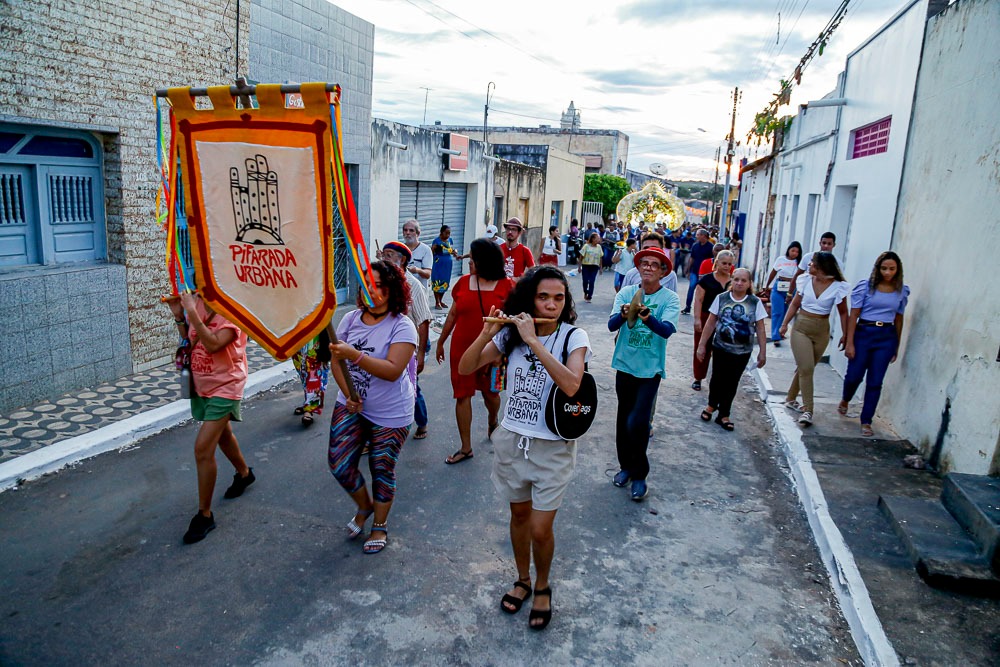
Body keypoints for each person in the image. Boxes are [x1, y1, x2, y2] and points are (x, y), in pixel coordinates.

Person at [457, 265, 590, 631]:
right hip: (513, 441)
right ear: (529, 300)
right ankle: (523, 579)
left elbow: (572, 385)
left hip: (553, 448)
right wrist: (488, 333)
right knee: (518, 517)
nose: (551, 305)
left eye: (558, 298)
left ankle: (543, 584)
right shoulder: (509, 335)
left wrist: (533, 341)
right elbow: (466, 366)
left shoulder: (573, 337)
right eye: (543, 297)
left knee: (540, 529)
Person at [327, 261, 417, 554]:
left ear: (393, 290)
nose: (371, 290)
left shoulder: (402, 326)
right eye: (367, 284)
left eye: (378, 285)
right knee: (339, 464)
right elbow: (336, 362)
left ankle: (379, 524)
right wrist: (348, 395)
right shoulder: (350, 320)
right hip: (352, 405)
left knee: (382, 467)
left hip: (391, 412)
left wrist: (354, 355)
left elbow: (392, 370)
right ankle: (364, 506)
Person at [166, 292, 254, 544]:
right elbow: (191, 338)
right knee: (222, 435)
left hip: (227, 385)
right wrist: (179, 316)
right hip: (202, 384)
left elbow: (215, 343)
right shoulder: (197, 301)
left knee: (203, 448)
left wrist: (192, 312)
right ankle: (244, 474)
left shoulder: (231, 308)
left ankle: (204, 515)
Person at [608, 247, 680, 502]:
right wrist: (624, 314)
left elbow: (666, 331)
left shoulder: (670, 298)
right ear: (638, 268)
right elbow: (611, 325)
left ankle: (640, 475)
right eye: (644, 263)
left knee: (638, 422)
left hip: (650, 370)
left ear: (663, 271)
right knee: (623, 420)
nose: (648, 267)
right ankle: (625, 467)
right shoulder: (627, 292)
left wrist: (648, 318)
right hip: (625, 364)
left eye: (654, 264)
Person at [436, 239, 515, 463]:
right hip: (461, 350)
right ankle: (466, 447)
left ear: (486, 260)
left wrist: (502, 354)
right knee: (462, 395)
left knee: (492, 394)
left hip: (494, 351)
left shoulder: (507, 286)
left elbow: (513, 325)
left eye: (473, 258)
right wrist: (441, 341)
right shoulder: (462, 282)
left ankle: (493, 419)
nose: (469, 262)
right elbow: (453, 314)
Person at [839, 252, 910, 437]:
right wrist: (849, 342)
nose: (888, 272)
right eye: (884, 268)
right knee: (854, 375)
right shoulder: (866, 287)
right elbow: (854, 315)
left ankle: (866, 420)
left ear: (898, 270)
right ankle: (846, 399)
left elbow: (899, 319)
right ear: (877, 268)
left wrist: (896, 345)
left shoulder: (901, 291)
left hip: (886, 336)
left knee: (875, 381)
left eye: (892, 269)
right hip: (864, 332)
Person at [779, 251, 850, 427]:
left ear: (821, 267)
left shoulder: (838, 287)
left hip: (822, 331)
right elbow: (795, 304)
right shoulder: (805, 280)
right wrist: (784, 324)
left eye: (812, 263)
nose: (809, 265)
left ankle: (790, 398)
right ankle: (808, 409)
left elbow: (843, 312)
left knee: (806, 367)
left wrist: (846, 334)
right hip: (801, 328)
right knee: (806, 368)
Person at [696, 268, 767, 430]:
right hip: (721, 348)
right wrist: (702, 344)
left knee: (732, 381)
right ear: (731, 281)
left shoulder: (754, 302)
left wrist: (762, 352)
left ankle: (724, 414)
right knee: (717, 378)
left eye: (743, 280)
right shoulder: (721, 298)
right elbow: (711, 322)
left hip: (742, 352)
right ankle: (711, 405)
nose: (739, 283)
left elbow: (760, 328)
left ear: (749, 283)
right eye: (736, 279)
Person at [381, 240, 433, 440]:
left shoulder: (414, 286)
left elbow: (423, 321)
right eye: (383, 254)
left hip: (407, 349)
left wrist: (420, 354)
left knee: (411, 387)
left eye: (389, 255)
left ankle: (422, 422)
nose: (384, 258)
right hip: (383, 346)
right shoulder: (380, 283)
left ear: (402, 260)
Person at [690, 250, 734, 391]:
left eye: (729, 264)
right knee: (702, 346)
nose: (727, 266)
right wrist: (697, 318)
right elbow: (698, 300)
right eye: (724, 263)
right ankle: (698, 377)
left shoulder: (734, 281)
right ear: (717, 262)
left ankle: (719, 379)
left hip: (726, 320)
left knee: (723, 350)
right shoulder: (706, 280)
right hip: (706, 316)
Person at [761, 241, 802, 347]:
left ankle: (780, 332)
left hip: (792, 288)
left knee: (785, 313)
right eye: (793, 250)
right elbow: (773, 272)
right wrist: (767, 285)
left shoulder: (799, 262)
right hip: (779, 287)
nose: (794, 253)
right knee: (777, 312)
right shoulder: (781, 259)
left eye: (797, 252)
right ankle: (776, 336)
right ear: (789, 250)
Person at [291, 329, 331, 426]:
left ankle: (309, 408)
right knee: (303, 373)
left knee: (313, 373)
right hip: (297, 337)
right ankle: (307, 402)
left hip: (313, 337)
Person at [431, 225, 465, 309]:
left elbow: (451, 250)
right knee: (437, 281)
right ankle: (437, 301)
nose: (448, 235)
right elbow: (431, 252)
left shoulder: (450, 240)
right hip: (438, 264)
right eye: (446, 233)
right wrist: (433, 249)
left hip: (447, 265)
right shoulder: (436, 241)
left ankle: (440, 300)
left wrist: (455, 253)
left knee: (445, 281)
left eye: (449, 233)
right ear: (441, 232)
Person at [682, 228, 714, 314]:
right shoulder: (695, 246)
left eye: (698, 235)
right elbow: (692, 258)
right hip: (695, 271)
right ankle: (687, 307)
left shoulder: (711, 247)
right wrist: (688, 269)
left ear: (703, 236)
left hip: (705, 273)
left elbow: (712, 261)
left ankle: (703, 309)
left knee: (704, 292)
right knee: (691, 288)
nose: (696, 236)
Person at [401, 219, 433, 287]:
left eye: (411, 230)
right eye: (405, 230)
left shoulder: (426, 250)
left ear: (418, 233)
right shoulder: (399, 248)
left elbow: (428, 274)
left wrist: (417, 270)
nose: (408, 233)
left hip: (419, 290)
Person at [578, 231, 603, 303]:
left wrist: (600, 268)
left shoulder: (599, 247)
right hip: (586, 265)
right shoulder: (586, 246)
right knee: (585, 281)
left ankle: (589, 296)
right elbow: (581, 257)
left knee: (592, 281)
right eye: (597, 238)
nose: (598, 240)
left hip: (595, 266)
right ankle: (585, 292)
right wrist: (579, 267)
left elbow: (600, 257)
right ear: (593, 239)